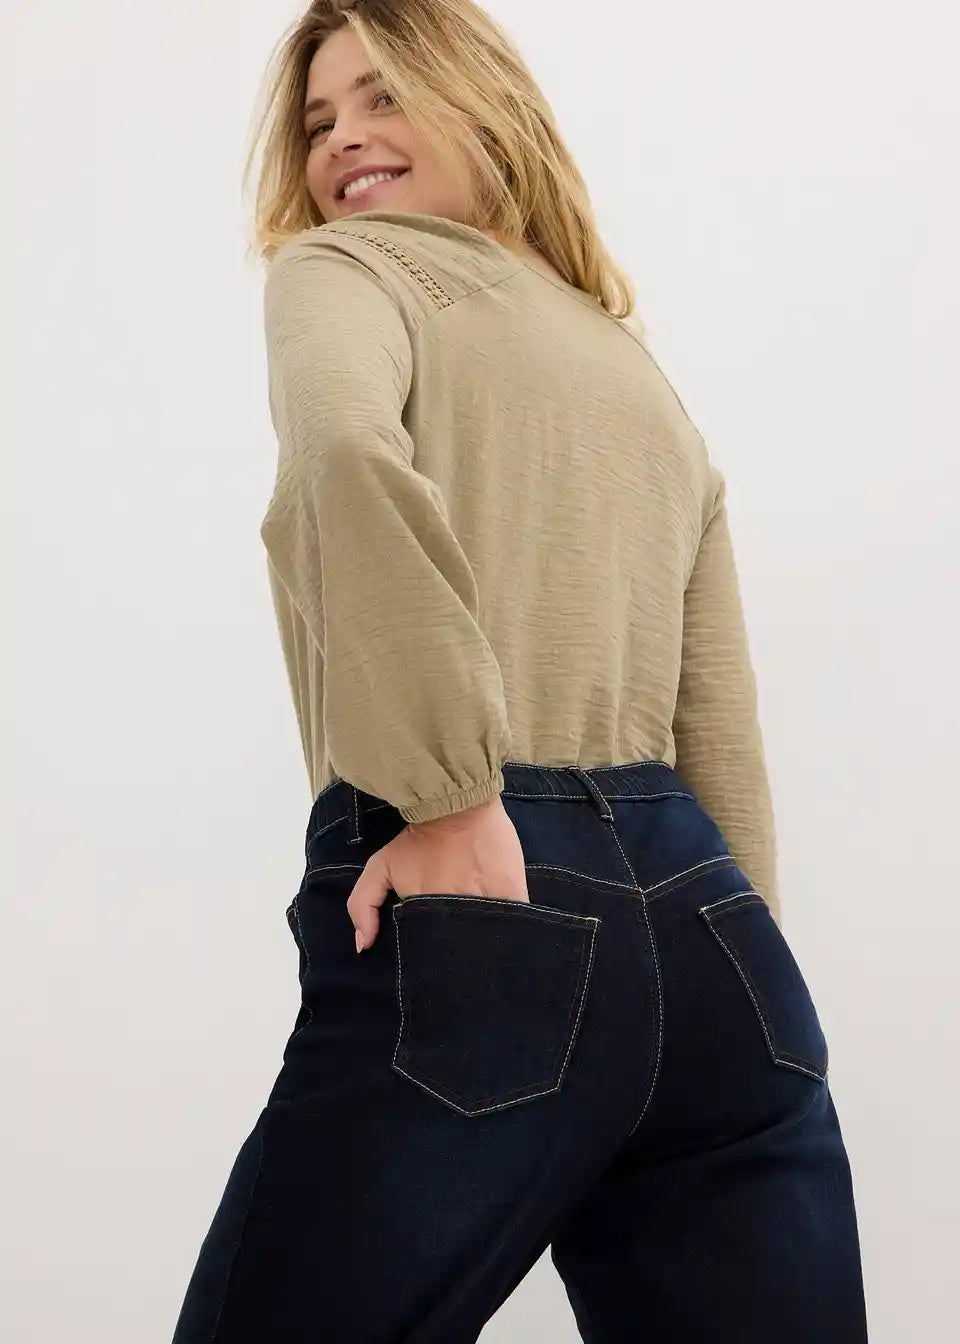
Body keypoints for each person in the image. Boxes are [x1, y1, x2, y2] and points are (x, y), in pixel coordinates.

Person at [170, 2, 868, 1340]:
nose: (342, 141)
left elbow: (345, 457)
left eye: (385, 96)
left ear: (483, 102)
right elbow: (714, 707)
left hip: (482, 878)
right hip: (716, 935)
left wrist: (445, 794)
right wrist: (745, 960)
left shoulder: (348, 270)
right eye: (318, 121)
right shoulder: (636, 374)